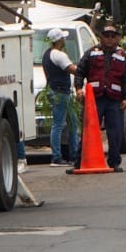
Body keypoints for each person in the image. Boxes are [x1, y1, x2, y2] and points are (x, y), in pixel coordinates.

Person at [72, 24, 126, 173]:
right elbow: (79, 72)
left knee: (116, 132)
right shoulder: (91, 53)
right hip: (95, 100)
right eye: (107, 36)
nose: (110, 39)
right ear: (101, 37)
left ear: (118, 38)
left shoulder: (121, 56)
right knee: (88, 131)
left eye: (113, 36)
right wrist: (79, 89)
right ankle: (80, 163)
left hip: (114, 100)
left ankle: (114, 162)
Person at [42, 29, 81, 167]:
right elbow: (72, 69)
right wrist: (85, 69)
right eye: (63, 38)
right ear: (59, 40)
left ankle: (73, 154)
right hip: (61, 92)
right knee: (59, 125)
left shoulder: (46, 55)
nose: (64, 40)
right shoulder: (59, 55)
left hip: (56, 90)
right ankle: (57, 157)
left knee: (72, 122)